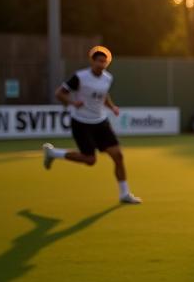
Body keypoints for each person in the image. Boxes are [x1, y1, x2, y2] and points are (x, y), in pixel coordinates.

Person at [41, 46, 142, 204]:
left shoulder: (108, 78)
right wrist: (73, 102)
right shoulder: (80, 77)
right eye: (99, 61)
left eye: (105, 61)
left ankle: (124, 193)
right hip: (81, 123)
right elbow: (59, 93)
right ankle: (53, 153)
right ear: (92, 61)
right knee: (89, 160)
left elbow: (104, 95)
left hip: (100, 122)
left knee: (118, 155)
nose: (102, 64)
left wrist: (112, 107)